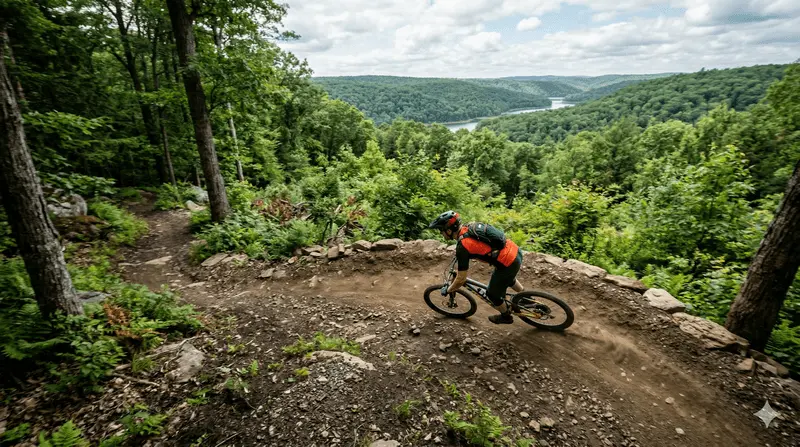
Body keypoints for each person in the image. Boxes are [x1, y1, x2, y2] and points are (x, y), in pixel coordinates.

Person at [428, 210, 524, 324]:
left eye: (441, 231)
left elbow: (461, 279)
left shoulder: (462, 247)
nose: (441, 233)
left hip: (508, 262)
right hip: (515, 251)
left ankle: (506, 316)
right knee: (506, 277)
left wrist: (449, 290)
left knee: (492, 294)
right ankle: (525, 298)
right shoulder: (468, 227)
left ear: (449, 230)